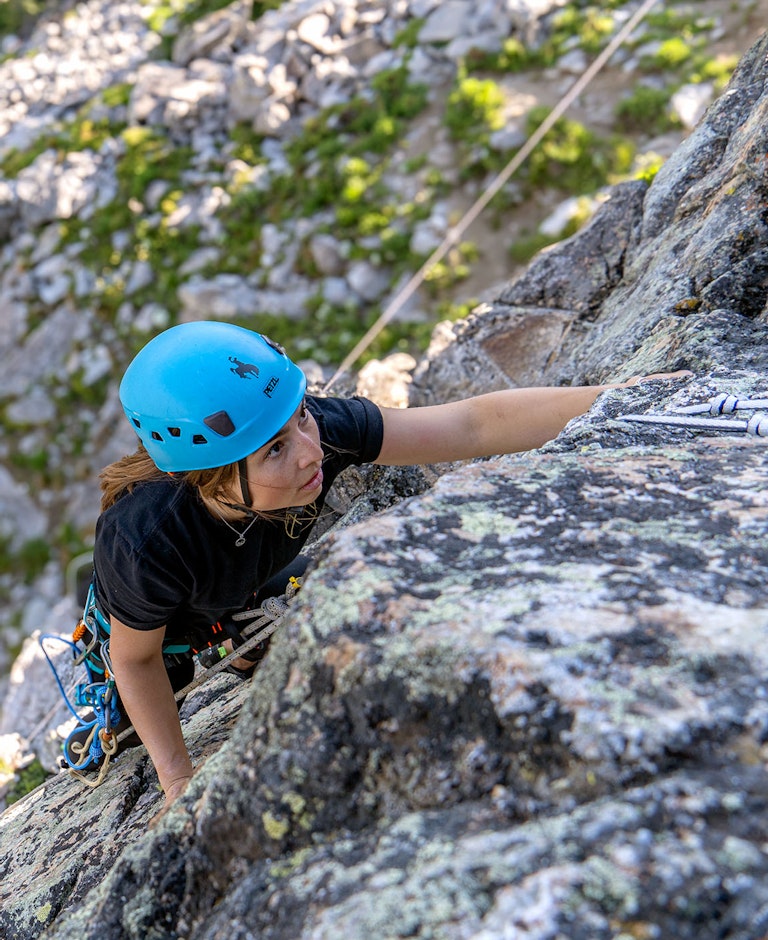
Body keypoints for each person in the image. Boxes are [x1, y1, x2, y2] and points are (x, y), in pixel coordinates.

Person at [88, 320, 688, 808]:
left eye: (300, 415)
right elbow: (135, 657)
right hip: (172, 625)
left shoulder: (316, 431)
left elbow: (472, 423)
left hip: (242, 582)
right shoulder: (148, 542)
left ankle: (244, 636)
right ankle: (225, 645)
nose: (310, 450)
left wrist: (629, 401)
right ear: (212, 478)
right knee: (136, 717)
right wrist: (177, 778)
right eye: (274, 449)